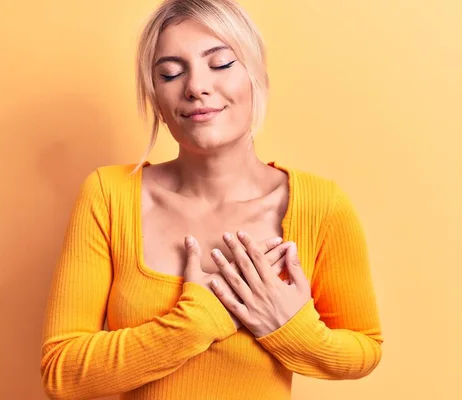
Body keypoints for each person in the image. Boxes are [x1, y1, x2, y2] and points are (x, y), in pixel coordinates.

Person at [40, 0, 383, 399]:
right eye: (170, 72)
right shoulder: (109, 195)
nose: (196, 87)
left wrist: (290, 326)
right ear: (155, 97)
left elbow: (365, 349)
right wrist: (195, 323)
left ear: (256, 76)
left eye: (220, 64)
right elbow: (61, 373)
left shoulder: (321, 206)